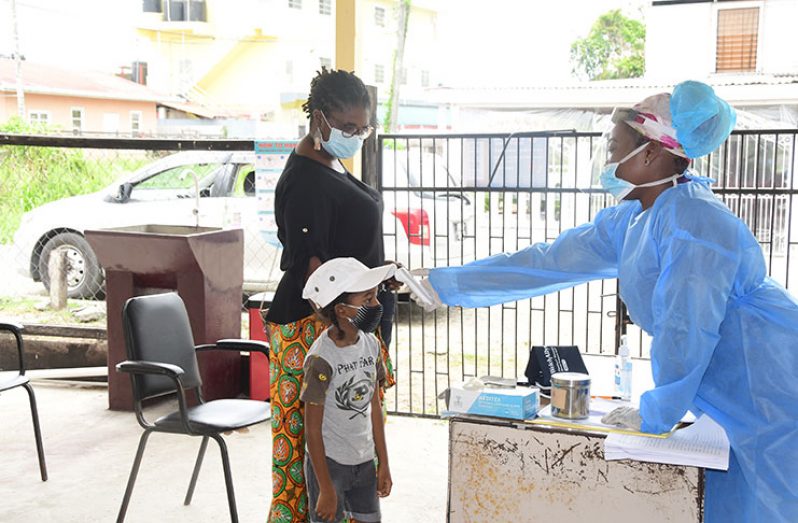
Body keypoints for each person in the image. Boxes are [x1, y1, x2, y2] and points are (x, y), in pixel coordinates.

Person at [415, 81, 798, 522]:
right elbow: (549, 261)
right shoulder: (635, 218)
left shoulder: (696, 224)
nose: (610, 160)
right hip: (728, 390)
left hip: (770, 385)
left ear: (652, 153)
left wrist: (655, 413)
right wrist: (446, 282)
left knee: (771, 502)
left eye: (616, 148)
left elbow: (686, 327)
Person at [264, 67, 396, 523]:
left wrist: (377, 289)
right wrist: (343, 331)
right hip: (319, 327)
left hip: (356, 316)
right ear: (319, 120)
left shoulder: (330, 161)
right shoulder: (305, 180)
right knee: (316, 452)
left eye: (364, 128)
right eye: (349, 128)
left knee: (355, 434)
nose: (357, 136)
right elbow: (313, 269)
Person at [300, 257, 394, 523]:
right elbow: (312, 429)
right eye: (367, 300)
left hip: (364, 461)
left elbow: (375, 407)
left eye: (375, 297)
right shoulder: (321, 359)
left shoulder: (372, 345)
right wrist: (326, 488)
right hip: (329, 466)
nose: (376, 306)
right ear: (341, 310)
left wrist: (383, 463)